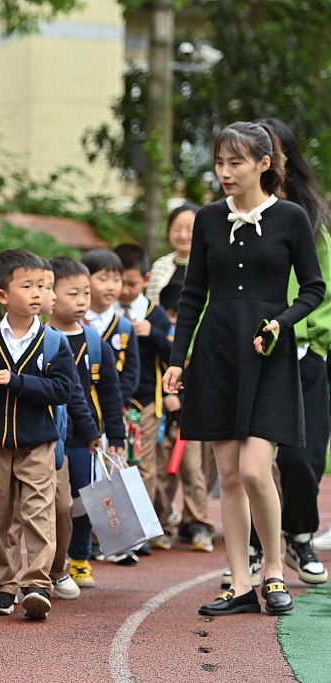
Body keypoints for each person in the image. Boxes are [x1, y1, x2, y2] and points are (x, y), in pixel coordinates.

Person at [163, 121, 325, 617]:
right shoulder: (209, 218)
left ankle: (272, 570)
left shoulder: (293, 218)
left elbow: (315, 290)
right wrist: (176, 360)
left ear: (264, 163)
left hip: (270, 353)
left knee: (257, 470)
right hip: (216, 355)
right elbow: (192, 295)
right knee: (228, 475)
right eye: (219, 163)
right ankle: (237, 583)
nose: (225, 172)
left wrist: (281, 321)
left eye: (235, 163)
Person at [0, 249, 76, 620]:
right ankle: (1, 587)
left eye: (44, 286)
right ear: (2, 296)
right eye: (28, 286)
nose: (38, 293)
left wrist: (19, 382)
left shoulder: (55, 343)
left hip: (39, 444)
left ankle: (38, 583)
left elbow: (63, 390)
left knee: (38, 511)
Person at [252, 117, 331, 586]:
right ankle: (257, 549)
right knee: (249, 461)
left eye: (272, 150)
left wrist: (312, 339)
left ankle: (299, 535)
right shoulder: (228, 218)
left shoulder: (313, 219)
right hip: (249, 354)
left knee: (301, 457)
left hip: (303, 351)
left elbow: (323, 289)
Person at [44, 257, 124, 592]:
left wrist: (115, 433)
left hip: (83, 437)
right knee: (47, 504)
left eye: (85, 293)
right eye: (72, 293)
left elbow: (109, 390)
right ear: (50, 294)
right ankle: (46, 563)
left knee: (82, 500)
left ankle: (78, 557)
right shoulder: (40, 337)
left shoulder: (94, 341)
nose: (82, 301)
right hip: (45, 433)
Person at [152, 282, 216, 552]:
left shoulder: (202, 342)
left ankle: (199, 523)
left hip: (191, 419)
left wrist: (184, 399)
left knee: (194, 472)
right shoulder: (158, 340)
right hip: (163, 419)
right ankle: (162, 525)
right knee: (162, 475)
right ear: (170, 315)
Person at [113, 244, 173, 512]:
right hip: (111, 400)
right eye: (119, 282)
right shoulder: (104, 313)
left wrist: (154, 333)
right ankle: (111, 530)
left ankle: (143, 530)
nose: (124, 290)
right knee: (114, 464)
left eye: (132, 283)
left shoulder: (155, 314)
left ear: (146, 280)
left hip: (147, 402)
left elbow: (176, 355)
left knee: (144, 465)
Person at [82, 249, 140, 409]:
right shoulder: (74, 323)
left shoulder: (124, 327)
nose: (111, 287)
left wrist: (112, 399)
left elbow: (131, 372)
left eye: (116, 280)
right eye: (103, 279)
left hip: (112, 407)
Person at [145, 203, 200, 303]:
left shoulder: (210, 266)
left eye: (190, 229)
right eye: (177, 229)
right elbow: (151, 306)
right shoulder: (159, 266)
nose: (183, 235)